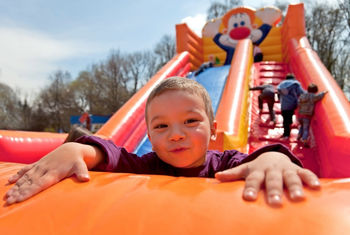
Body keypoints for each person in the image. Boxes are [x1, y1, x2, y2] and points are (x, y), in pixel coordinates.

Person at [4, 77, 320, 207]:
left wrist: (273, 158)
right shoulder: (146, 167)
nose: (176, 133)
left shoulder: (224, 165)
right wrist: (78, 148)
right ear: (150, 137)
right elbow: (114, 155)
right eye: (161, 126)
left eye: (191, 121)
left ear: (213, 130)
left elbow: (255, 159)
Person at [277, 74, 305, 139]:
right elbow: (301, 93)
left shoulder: (281, 85)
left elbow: (278, 94)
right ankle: (289, 126)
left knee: (285, 119)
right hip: (292, 104)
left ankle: (286, 134)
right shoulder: (295, 84)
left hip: (284, 104)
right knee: (289, 116)